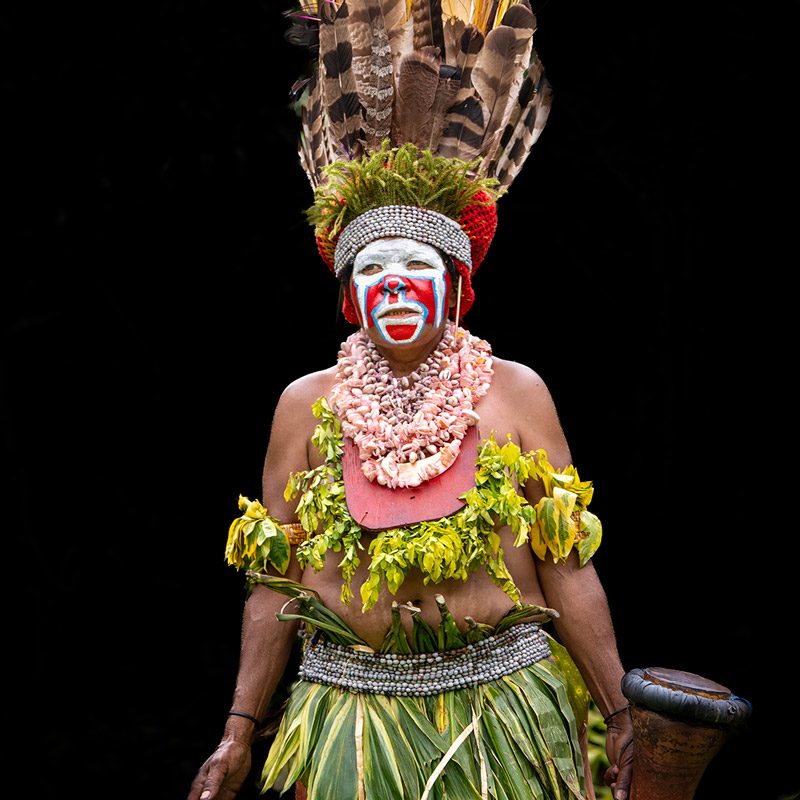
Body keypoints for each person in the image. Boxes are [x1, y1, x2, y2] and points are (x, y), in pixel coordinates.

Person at [188, 3, 634, 799]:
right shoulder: (306, 405)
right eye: (372, 267)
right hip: (348, 727)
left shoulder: (517, 393)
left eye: (415, 263)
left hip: (506, 718)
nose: (393, 279)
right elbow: (275, 580)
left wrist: (621, 713)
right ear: (353, 297)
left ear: (458, 287)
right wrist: (238, 731)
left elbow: (567, 567)